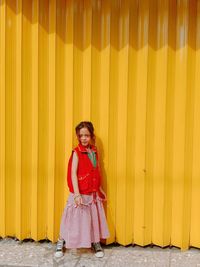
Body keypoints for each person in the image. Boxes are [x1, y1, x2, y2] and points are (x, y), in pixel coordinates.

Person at [54, 121, 110, 258]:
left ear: (91, 136)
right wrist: (77, 194)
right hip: (80, 192)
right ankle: (61, 241)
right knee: (72, 218)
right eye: (81, 136)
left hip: (92, 191)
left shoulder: (94, 150)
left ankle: (95, 242)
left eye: (86, 135)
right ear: (78, 137)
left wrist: (100, 188)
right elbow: (73, 173)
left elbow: (96, 170)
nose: (84, 138)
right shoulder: (76, 152)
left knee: (92, 219)